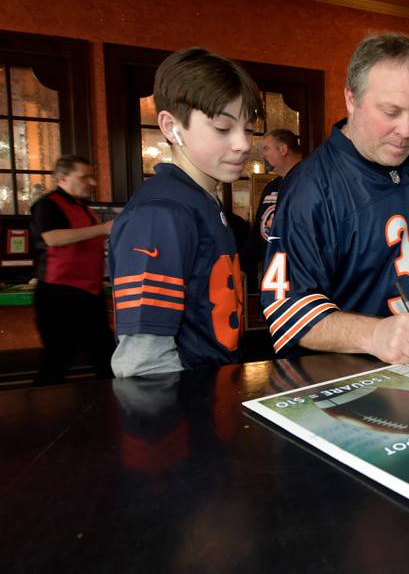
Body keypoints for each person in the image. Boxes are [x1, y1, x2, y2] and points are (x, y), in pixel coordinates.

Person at [261, 32, 409, 365]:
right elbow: (289, 312)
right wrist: (375, 334)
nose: (407, 131)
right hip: (358, 381)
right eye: (390, 112)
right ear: (352, 99)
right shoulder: (310, 187)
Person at [109, 47, 264, 377]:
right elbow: (143, 363)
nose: (243, 144)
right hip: (186, 411)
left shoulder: (201, 201)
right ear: (171, 126)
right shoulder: (160, 214)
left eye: (248, 129)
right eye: (223, 128)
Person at [29, 155, 115, 385]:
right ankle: (38, 415)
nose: (92, 182)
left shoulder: (85, 209)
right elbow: (54, 239)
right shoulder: (47, 205)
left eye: (92, 176)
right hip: (58, 294)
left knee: (106, 356)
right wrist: (104, 228)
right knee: (58, 357)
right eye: (84, 177)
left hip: (89, 293)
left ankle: (115, 412)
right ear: (62, 178)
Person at [240, 128, 303, 278]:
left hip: (301, 275)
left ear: (283, 149)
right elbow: (258, 234)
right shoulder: (271, 187)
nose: (263, 155)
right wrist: (243, 267)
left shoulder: (311, 181)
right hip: (274, 275)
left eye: (266, 149)